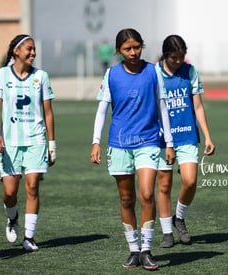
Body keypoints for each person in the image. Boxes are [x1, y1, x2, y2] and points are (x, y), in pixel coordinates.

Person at [90, 28, 175, 271]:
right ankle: (133, 250)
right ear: (119, 51)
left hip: (148, 142)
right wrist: (96, 141)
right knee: (127, 199)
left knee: (147, 194)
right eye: (128, 49)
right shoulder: (111, 74)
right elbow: (103, 110)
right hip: (119, 144)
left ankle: (147, 250)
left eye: (137, 47)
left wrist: (168, 143)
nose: (133, 52)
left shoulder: (153, 71)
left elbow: (163, 107)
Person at [0, 34, 57, 252]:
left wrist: (51, 143)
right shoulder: (1, 75)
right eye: (29, 49)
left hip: (36, 139)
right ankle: (12, 217)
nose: (33, 53)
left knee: (32, 186)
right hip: (9, 142)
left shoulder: (42, 77)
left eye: (34, 49)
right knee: (10, 193)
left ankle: (29, 237)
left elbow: (48, 112)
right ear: (16, 51)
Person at [156, 35, 215, 248]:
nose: (179, 61)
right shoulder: (154, 73)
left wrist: (207, 136)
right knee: (164, 185)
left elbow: (198, 107)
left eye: (182, 56)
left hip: (188, 134)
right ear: (165, 55)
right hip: (161, 139)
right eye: (174, 57)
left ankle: (178, 218)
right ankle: (166, 233)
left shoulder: (190, 72)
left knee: (190, 181)